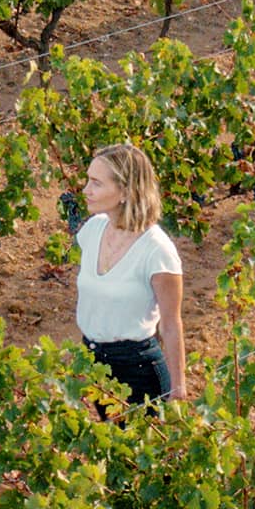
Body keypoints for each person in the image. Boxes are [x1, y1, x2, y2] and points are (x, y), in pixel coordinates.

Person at [74, 143, 187, 412]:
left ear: (125, 191)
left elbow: (171, 324)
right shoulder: (92, 231)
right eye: (88, 180)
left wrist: (178, 388)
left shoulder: (157, 251)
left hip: (138, 372)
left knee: (137, 452)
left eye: (96, 183)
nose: (85, 190)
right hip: (95, 363)